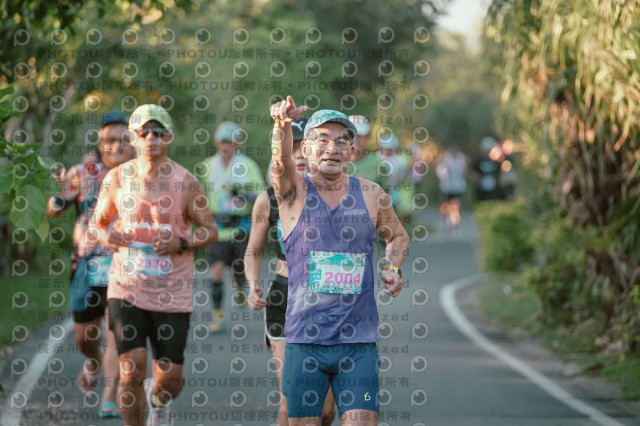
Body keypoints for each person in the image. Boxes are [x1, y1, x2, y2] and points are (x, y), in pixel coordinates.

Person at [269, 97, 410, 426]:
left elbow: (398, 236)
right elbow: (281, 165)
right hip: (305, 341)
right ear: (305, 149)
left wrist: (391, 267)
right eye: (322, 140)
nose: (332, 148)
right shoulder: (293, 193)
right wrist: (281, 126)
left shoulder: (372, 194)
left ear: (351, 150)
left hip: (358, 344)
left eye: (342, 140)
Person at [90, 104, 218, 426]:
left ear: (169, 137)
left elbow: (210, 230)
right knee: (131, 368)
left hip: (172, 292)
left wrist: (182, 243)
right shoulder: (117, 178)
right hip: (127, 288)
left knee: (171, 379)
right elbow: (97, 223)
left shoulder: (186, 182)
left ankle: (158, 401)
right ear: (133, 138)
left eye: (158, 132)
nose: (151, 138)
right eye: (143, 132)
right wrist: (106, 236)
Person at [245, 118, 336, 426]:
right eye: (291, 147)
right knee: (291, 399)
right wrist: (253, 285)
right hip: (284, 294)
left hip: (328, 299)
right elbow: (253, 249)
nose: (297, 154)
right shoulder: (268, 199)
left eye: (302, 146)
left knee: (325, 411)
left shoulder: (337, 194)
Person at [47, 111, 134, 419]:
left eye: (124, 139)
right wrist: (58, 197)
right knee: (85, 337)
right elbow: (56, 206)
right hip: (87, 265)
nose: (116, 146)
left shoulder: (141, 172)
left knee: (116, 332)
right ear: (100, 141)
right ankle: (93, 361)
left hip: (125, 265)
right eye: (110, 140)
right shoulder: (83, 171)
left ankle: (109, 397)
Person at [200, 121, 265, 333]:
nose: (227, 145)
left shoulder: (248, 165)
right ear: (217, 142)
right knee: (216, 272)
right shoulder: (208, 166)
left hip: (241, 228)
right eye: (223, 141)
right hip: (218, 228)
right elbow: (200, 194)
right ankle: (217, 316)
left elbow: (262, 197)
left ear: (238, 143)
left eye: (231, 141)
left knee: (240, 270)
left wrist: (243, 194)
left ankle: (240, 286)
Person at [435, 141, 469, 233]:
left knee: (456, 205)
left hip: (458, 185)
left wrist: (462, 174)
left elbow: (464, 170)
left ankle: (455, 225)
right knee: (445, 205)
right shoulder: (445, 157)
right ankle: (443, 219)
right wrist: (442, 176)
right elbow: (439, 168)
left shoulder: (462, 157)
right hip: (447, 185)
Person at [347, 115, 387, 189]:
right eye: (352, 136)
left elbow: (385, 192)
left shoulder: (377, 164)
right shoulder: (333, 161)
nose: (356, 140)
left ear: (367, 138)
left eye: (359, 136)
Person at [473, 136, 504, 202]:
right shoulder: (478, 161)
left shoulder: (497, 162)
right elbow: (473, 173)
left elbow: (500, 175)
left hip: (494, 192)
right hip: (481, 192)